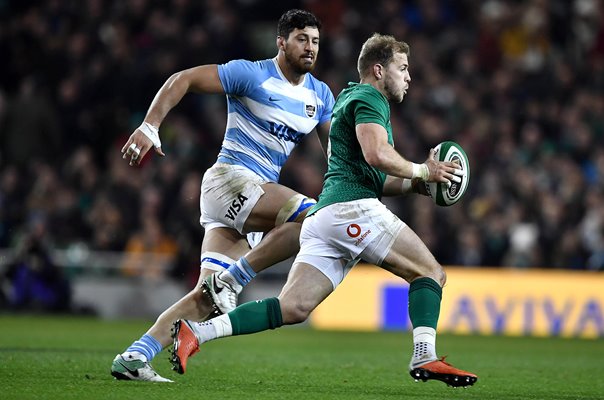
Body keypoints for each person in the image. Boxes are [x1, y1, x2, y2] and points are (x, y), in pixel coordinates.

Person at [171, 33, 478, 388]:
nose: (409, 77)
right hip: (352, 212)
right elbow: (378, 155)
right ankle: (425, 355)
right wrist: (424, 170)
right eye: (403, 68)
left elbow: (374, 175)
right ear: (378, 70)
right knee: (430, 273)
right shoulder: (370, 97)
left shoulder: (347, 98)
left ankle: (197, 332)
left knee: (292, 308)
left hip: (325, 217)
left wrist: (417, 184)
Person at [110, 9, 334, 382]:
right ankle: (234, 279)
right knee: (312, 218)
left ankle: (134, 356)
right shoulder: (251, 74)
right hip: (231, 180)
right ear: (281, 42)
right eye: (301, 39)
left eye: (315, 41)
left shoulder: (320, 95)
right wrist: (150, 126)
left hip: (249, 200)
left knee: (205, 299)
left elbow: (336, 158)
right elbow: (183, 79)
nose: (310, 48)